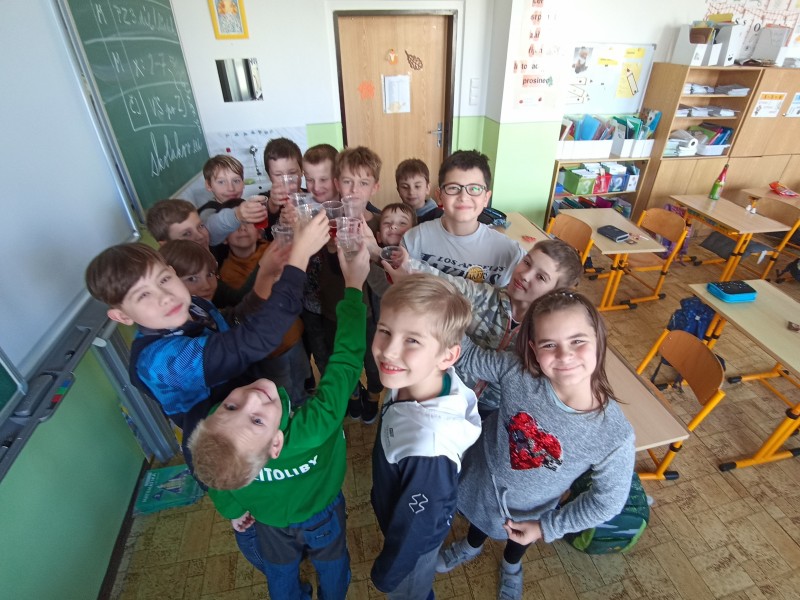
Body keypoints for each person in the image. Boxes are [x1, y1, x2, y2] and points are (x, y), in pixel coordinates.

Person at [188, 240, 371, 600]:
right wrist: (353, 287)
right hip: (321, 512)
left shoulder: (216, 434)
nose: (251, 397)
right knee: (333, 564)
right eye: (257, 421)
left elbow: (213, 476)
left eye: (230, 407)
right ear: (276, 444)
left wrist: (233, 510)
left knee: (280, 573)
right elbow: (347, 360)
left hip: (268, 520)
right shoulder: (315, 426)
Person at [84, 210, 330, 470]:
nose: (165, 296)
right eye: (143, 295)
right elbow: (252, 341)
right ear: (122, 316)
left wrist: (266, 274)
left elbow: (233, 324)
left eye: (164, 279)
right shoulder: (162, 362)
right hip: (230, 451)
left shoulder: (193, 306)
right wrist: (298, 260)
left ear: (172, 272)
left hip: (252, 418)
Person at [434, 290, 635, 600]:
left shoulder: (614, 435)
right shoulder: (517, 371)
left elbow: (607, 502)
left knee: (518, 541)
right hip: (482, 481)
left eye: (577, 341)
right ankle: (471, 546)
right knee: (478, 521)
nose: (565, 355)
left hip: (534, 509)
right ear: (534, 349)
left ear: (599, 339)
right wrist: (439, 308)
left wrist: (545, 528)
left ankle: (511, 566)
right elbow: (470, 356)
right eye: (549, 344)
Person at [369, 274, 481, 599]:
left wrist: (386, 575)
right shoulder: (416, 376)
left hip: (412, 548)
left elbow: (416, 529)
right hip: (399, 501)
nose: (389, 351)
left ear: (447, 356)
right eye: (385, 331)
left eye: (412, 341)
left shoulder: (428, 448)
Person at [386, 239, 583, 418]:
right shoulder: (484, 296)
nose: (525, 275)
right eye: (527, 262)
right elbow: (445, 282)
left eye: (540, 277)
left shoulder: (545, 334)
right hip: (446, 393)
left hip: (494, 411)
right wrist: (407, 265)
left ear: (555, 293)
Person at [402, 150, 525, 286]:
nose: (463, 196)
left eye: (475, 189)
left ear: (486, 198)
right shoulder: (413, 241)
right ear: (439, 195)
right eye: (453, 188)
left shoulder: (511, 253)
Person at [300, 144, 339, 391]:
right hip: (309, 302)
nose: (316, 187)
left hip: (338, 303)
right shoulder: (301, 208)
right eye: (310, 179)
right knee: (321, 355)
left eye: (323, 179)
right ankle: (330, 395)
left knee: (341, 353)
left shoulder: (347, 208)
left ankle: (352, 393)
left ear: (337, 177)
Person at [198, 155, 268, 246]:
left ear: (243, 183)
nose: (231, 188)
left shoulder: (243, 203)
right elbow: (210, 233)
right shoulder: (207, 211)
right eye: (221, 182)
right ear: (208, 185)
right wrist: (236, 215)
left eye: (236, 181)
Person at [261, 137, 305, 236]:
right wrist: (273, 204)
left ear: (302, 170)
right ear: (269, 176)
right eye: (278, 175)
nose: (286, 181)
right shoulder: (264, 200)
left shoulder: (312, 196)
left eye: (292, 173)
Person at [395, 158, 442, 223]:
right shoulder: (394, 216)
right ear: (398, 190)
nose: (411, 192)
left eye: (417, 186)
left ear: (427, 188)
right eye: (405, 187)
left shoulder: (439, 217)